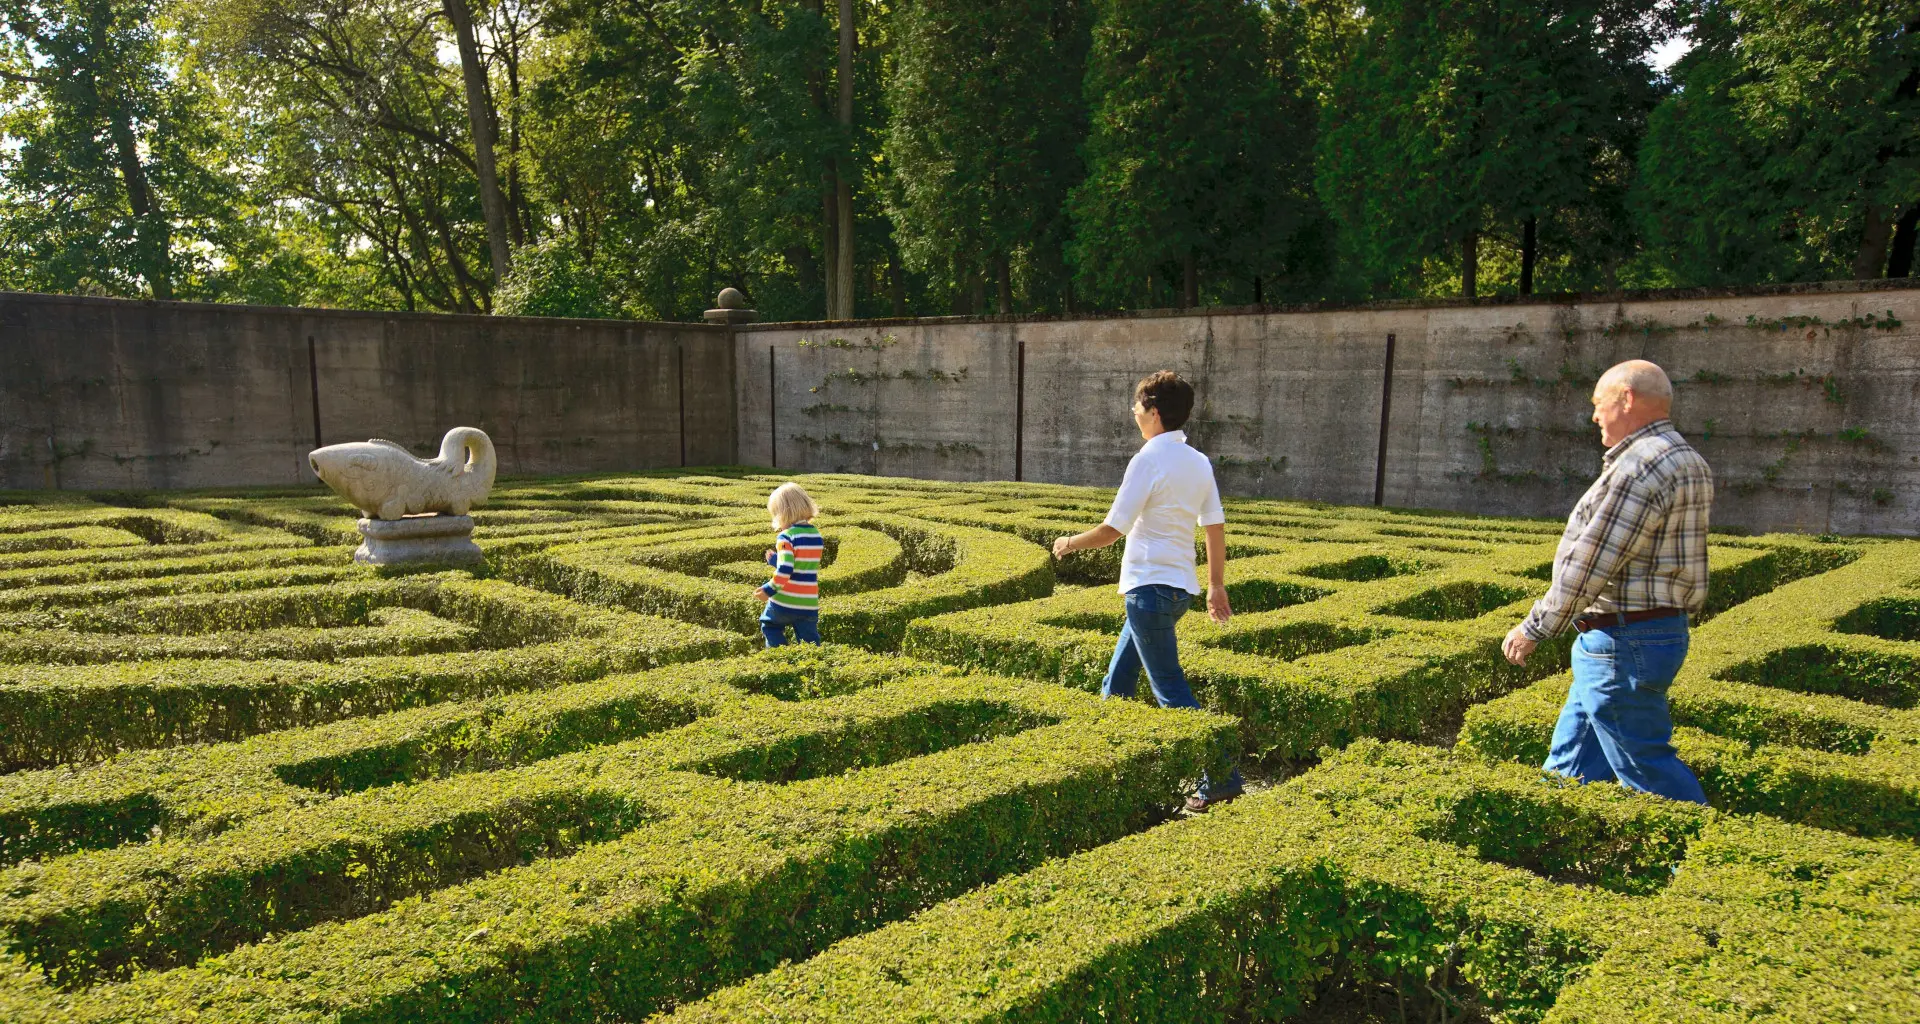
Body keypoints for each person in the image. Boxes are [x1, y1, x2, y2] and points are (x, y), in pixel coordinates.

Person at [1501, 359, 1711, 804]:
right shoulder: (1687, 459)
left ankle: (1706, 861)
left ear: (1627, 399)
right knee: (1571, 764)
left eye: (1599, 404)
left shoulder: (1640, 466)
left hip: (1623, 641)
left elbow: (1592, 563)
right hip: (1649, 634)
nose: (1595, 415)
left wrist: (1535, 627)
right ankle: (1546, 838)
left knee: (1649, 773)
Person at [1053, 370, 1243, 812]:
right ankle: (1102, 763)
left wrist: (1068, 543)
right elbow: (1214, 528)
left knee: (1170, 691)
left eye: (1137, 407)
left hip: (1148, 591)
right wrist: (1215, 585)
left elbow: (1111, 530)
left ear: (1154, 414)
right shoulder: (1197, 461)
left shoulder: (1147, 460)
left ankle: (1222, 778)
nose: (1133, 413)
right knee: (1117, 682)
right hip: (1177, 592)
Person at [756, 482, 824, 647]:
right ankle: (813, 669)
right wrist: (776, 560)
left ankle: (780, 661)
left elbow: (786, 569)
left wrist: (768, 590)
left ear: (782, 513)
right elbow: (802, 564)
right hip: (808, 602)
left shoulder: (785, 537)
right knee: (810, 643)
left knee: (770, 625)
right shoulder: (816, 535)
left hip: (785, 601)